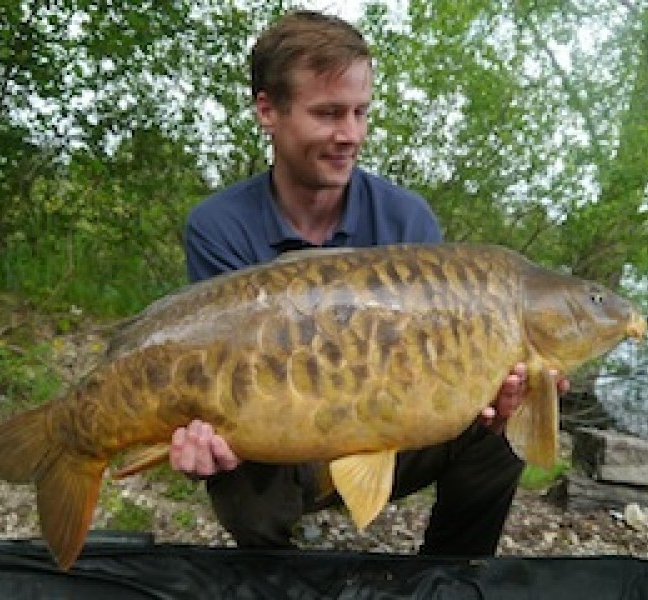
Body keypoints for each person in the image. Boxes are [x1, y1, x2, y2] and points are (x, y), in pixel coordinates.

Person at [172, 10, 564, 556]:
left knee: (507, 428)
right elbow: (216, 373)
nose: (350, 134)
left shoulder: (408, 221)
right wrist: (200, 436)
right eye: (329, 113)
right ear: (268, 110)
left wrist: (498, 391)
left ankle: (450, 573)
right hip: (286, 438)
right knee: (235, 473)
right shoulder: (219, 226)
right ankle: (277, 570)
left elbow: (444, 357)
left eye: (360, 112)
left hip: (396, 431)